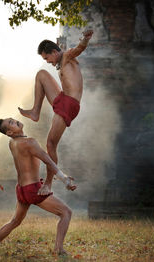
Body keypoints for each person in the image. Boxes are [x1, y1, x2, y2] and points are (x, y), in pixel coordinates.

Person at [0, 117, 76, 255]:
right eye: (11, 123)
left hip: (21, 190)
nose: (15, 121)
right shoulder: (29, 142)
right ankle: (59, 249)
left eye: (12, 119)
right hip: (32, 190)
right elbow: (48, 161)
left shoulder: (13, 143)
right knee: (66, 213)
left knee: (15, 221)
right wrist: (65, 179)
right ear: (9, 132)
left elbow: (28, 165)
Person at [18, 30, 93, 195]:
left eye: (47, 58)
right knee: (42, 75)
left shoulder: (66, 56)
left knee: (51, 144)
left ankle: (49, 184)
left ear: (54, 52)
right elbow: (62, 53)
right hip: (64, 99)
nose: (48, 61)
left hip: (69, 104)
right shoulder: (62, 59)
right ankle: (35, 112)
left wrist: (85, 40)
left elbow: (77, 50)